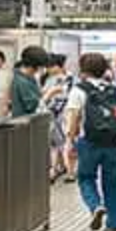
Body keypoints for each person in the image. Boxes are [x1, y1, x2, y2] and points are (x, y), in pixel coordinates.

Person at [64, 53, 116, 231]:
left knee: (86, 178)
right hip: (114, 144)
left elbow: (73, 118)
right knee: (114, 183)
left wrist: (70, 142)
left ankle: (95, 206)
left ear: (83, 70)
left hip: (89, 142)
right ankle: (114, 222)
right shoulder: (115, 90)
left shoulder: (79, 90)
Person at [43, 54, 74, 182]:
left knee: (64, 142)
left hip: (63, 113)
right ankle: (56, 169)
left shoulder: (68, 79)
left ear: (59, 66)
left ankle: (69, 171)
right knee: (55, 143)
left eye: (51, 66)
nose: (49, 69)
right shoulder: (48, 78)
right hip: (51, 113)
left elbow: (64, 96)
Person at [11, 45, 49, 117]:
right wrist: (50, 94)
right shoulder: (22, 81)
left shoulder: (28, 77)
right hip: (24, 122)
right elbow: (32, 106)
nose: (42, 68)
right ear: (36, 65)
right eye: (42, 66)